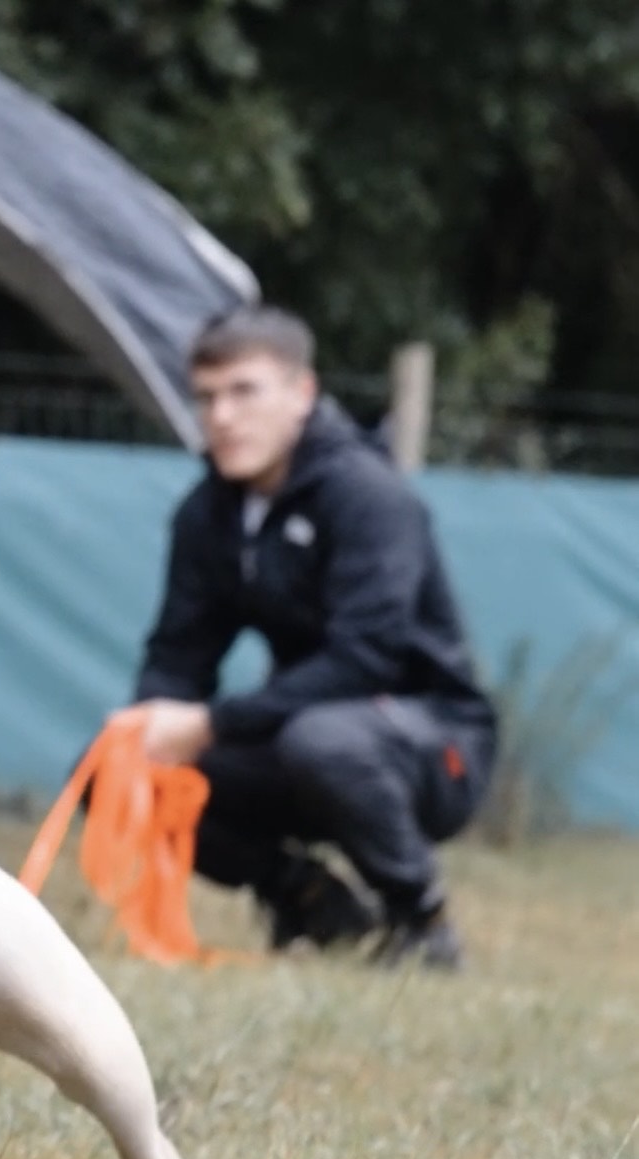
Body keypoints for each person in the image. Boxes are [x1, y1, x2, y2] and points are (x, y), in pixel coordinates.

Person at [130, 305, 498, 969]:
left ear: (302, 393)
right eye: (207, 397)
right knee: (127, 764)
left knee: (324, 740)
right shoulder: (207, 514)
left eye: (244, 391)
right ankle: (311, 902)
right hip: (304, 734)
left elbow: (365, 659)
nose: (222, 416)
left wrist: (211, 723)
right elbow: (179, 654)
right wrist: (146, 724)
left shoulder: (370, 496)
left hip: (435, 741)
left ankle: (422, 921)